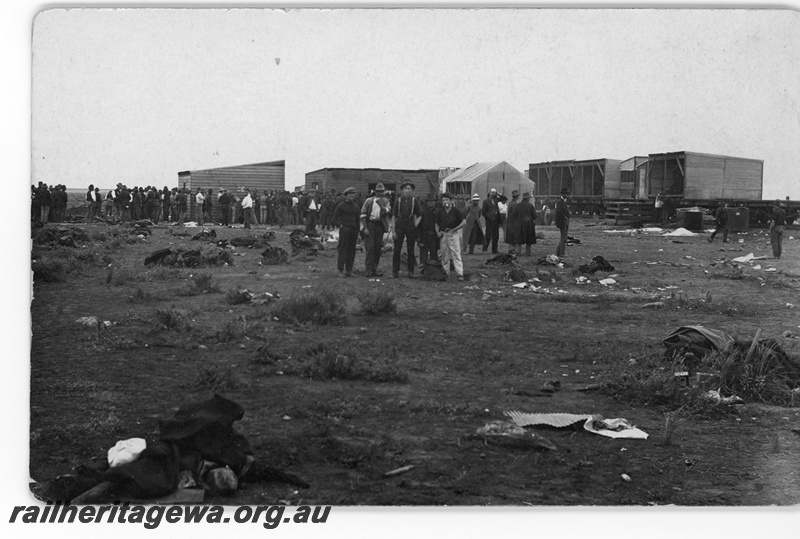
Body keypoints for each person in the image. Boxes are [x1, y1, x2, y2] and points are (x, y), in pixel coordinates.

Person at [390, 180, 423, 278]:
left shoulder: (414, 201)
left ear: (411, 190)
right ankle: (395, 271)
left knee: (411, 249)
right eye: (405, 189)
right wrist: (393, 231)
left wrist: (415, 225)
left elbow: (420, 215)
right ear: (402, 190)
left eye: (409, 189)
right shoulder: (398, 201)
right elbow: (393, 216)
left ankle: (410, 271)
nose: (407, 191)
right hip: (399, 224)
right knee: (397, 249)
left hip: (410, 224)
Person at [359, 183, 391, 277]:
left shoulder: (386, 201)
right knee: (370, 248)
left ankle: (374, 269)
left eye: (382, 192)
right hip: (370, 225)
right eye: (378, 192)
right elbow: (363, 214)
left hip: (380, 226)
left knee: (377, 248)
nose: (380, 193)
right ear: (375, 192)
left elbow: (387, 211)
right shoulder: (369, 201)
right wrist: (365, 228)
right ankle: (368, 269)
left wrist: (381, 205)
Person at [436, 192, 466, 281]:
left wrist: (454, 229)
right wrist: (438, 232)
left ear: (451, 201)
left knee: (456, 254)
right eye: (443, 200)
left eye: (447, 200)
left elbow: (464, 222)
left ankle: (460, 274)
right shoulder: (440, 212)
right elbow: (436, 223)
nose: (445, 202)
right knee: (444, 255)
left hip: (453, 234)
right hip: (443, 234)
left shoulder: (456, 211)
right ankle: (446, 273)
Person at [332, 187, 360, 277]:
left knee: (352, 250)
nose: (351, 196)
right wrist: (340, 225)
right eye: (349, 194)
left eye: (353, 194)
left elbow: (357, 220)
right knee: (343, 249)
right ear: (346, 195)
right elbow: (334, 218)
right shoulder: (341, 205)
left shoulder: (356, 206)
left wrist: (358, 231)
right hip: (344, 230)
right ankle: (340, 270)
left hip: (353, 230)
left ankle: (349, 270)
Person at [418, 198, 440, 267]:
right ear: (427, 203)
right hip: (424, 236)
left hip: (434, 237)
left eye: (432, 201)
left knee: (434, 254)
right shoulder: (422, 212)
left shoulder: (438, 212)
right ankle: (423, 268)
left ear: (435, 202)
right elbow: (419, 226)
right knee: (423, 255)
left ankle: (434, 268)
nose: (431, 203)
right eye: (429, 201)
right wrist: (418, 238)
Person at [515, 192, 538, 257]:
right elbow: (534, 216)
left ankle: (518, 251)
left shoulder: (518, 205)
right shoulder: (530, 206)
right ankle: (528, 252)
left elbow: (514, 214)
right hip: (529, 224)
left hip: (520, 224)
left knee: (519, 238)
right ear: (527, 198)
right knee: (529, 238)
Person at [481, 188, 501, 253]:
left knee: (496, 236)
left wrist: (498, 194)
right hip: (489, 221)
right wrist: (489, 216)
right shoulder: (485, 201)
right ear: (489, 193)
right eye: (492, 192)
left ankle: (494, 250)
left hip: (496, 221)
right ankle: (484, 249)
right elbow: (483, 212)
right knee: (488, 235)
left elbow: (503, 198)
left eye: (494, 193)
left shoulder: (496, 201)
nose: (493, 194)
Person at [555, 188, 570, 257]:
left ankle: (558, 252)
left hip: (564, 221)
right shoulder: (560, 202)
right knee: (563, 238)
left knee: (563, 237)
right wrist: (565, 217)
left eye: (566, 194)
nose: (566, 195)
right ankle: (562, 253)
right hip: (562, 221)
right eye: (564, 194)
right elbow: (559, 212)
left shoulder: (563, 202)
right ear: (561, 194)